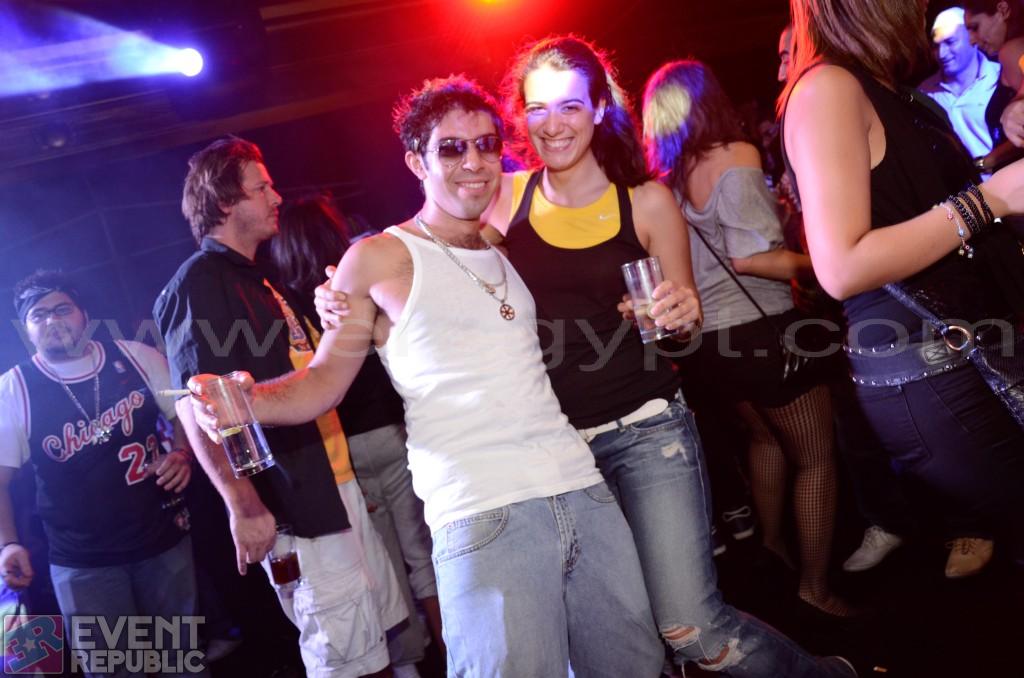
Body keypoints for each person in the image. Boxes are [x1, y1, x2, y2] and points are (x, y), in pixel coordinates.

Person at [189, 76, 667, 678]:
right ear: (417, 162)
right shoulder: (379, 257)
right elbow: (323, 382)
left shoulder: (504, 247)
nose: (474, 161)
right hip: (482, 509)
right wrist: (248, 400)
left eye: (486, 144)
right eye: (451, 148)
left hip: (580, 487)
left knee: (635, 666)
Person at [471, 35, 852, 676]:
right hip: (558, 450)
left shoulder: (646, 200)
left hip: (647, 432)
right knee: (622, 638)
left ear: (599, 108)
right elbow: (436, 251)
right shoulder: (506, 199)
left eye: (569, 106)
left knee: (692, 628)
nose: (552, 124)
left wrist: (676, 316)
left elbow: (684, 331)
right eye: (537, 108)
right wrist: (351, 286)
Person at [781, 0, 1024, 578]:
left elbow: (918, 203)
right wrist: (990, 200)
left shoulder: (877, 83)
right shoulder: (827, 88)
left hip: (960, 347)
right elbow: (840, 265)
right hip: (933, 366)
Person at [154, 137, 400, 678]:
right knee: (349, 661)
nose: (277, 197)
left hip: (331, 491)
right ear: (225, 202)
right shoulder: (199, 283)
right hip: (295, 510)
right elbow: (198, 409)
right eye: (260, 188)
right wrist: (243, 506)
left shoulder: (258, 277)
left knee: (376, 644)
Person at [642, 58, 853, 616]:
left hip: (710, 345)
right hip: (761, 333)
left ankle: (772, 551)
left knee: (765, 442)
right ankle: (815, 589)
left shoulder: (665, 181)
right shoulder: (735, 157)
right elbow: (753, 258)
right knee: (816, 459)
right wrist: (825, 264)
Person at [271, 194, 443, 677]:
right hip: (392, 432)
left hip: (345, 447)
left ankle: (408, 667)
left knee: (382, 562)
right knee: (423, 554)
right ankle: (452, 657)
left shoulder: (290, 302)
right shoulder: (358, 275)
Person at [0, 270, 202, 678]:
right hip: (84, 562)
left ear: (84, 315)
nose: (52, 320)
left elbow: (186, 410)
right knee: (114, 671)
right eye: (39, 315)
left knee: (181, 664)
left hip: (163, 543)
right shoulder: (14, 388)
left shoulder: (136, 356)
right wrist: (8, 544)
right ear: (26, 329)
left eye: (62, 309)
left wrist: (182, 453)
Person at [921, 7, 1002, 163]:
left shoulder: (1001, 79)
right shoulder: (925, 94)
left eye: (950, 42)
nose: (942, 53)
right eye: (936, 46)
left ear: (972, 38)